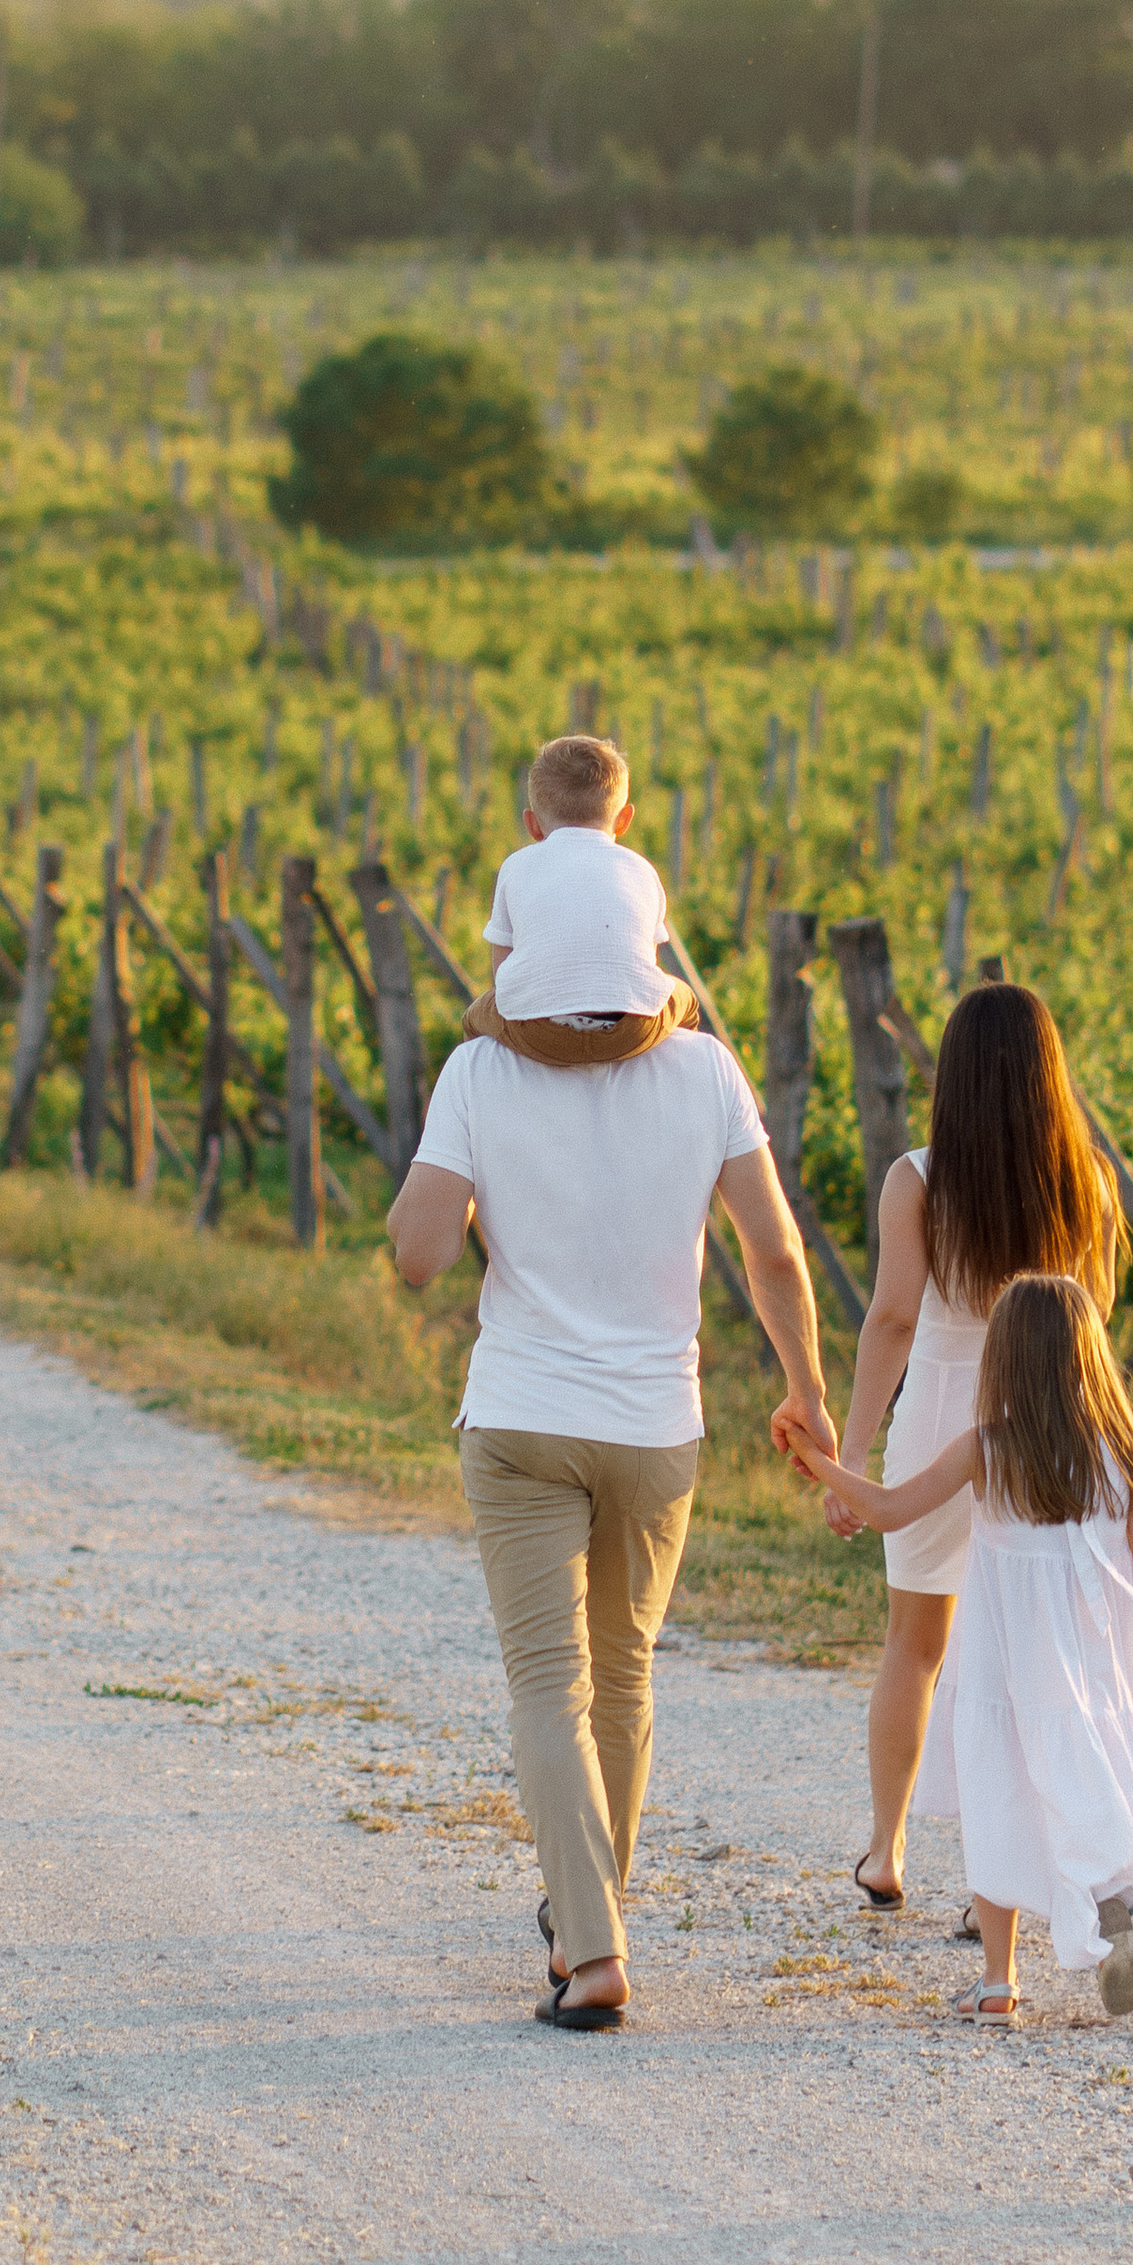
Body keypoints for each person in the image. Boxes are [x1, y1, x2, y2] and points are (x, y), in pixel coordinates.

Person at [387, 797, 832, 2031]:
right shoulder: (705, 1069)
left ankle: (591, 1953)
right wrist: (804, 1387)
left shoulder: (476, 1070)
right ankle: (591, 1924)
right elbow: (774, 1251)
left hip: (523, 1412)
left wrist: (463, 1197)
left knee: (546, 1686)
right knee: (623, 1680)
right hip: (656, 1422)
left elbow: (420, 1256)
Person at [791, 1271, 1133, 2024]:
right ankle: (1110, 1912)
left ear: (1003, 1358)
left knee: (999, 1800)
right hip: (1092, 1668)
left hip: (1005, 1667)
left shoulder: (988, 1448)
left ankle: (997, 1981)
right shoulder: (1121, 1450)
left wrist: (819, 1463)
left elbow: (887, 1509)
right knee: (1092, 1789)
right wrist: (1127, 1642)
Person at [822, 980, 1122, 1912]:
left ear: (951, 1075)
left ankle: (885, 1850)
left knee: (915, 1645)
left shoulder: (916, 1178)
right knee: (1025, 1654)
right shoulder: (1088, 1182)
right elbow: (1094, 1322)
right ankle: (1003, 1877)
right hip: (1039, 1424)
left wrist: (855, 1452)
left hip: (941, 1413)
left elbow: (894, 1320)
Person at [469, 731, 695, 1065]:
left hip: (540, 1036)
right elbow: (646, 959)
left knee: (475, 1016)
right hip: (629, 1033)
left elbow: (502, 965)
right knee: (686, 999)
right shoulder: (642, 870)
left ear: (532, 824)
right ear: (624, 820)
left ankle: (484, 1078)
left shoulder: (516, 866)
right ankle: (678, 1067)